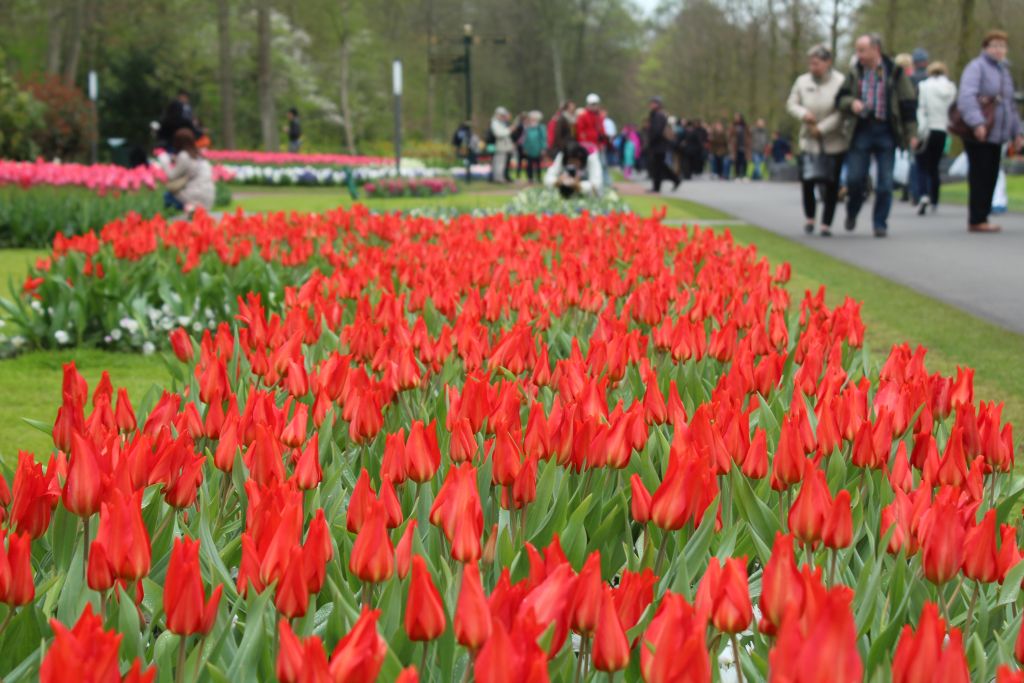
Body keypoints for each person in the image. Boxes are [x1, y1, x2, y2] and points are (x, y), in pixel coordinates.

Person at [836, 33, 918, 237]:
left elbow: (908, 104)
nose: (859, 55)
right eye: (857, 50)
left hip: (886, 131)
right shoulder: (855, 72)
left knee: (885, 182)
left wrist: (911, 134)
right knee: (854, 179)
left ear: (876, 50)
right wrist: (851, 103)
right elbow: (840, 98)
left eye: (862, 50)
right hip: (861, 130)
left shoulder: (895, 72)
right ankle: (852, 210)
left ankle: (880, 223)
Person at [957, 29, 1023, 232]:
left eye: (1002, 46)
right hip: (980, 131)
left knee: (992, 174)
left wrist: (1017, 133)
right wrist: (977, 123)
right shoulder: (976, 67)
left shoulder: (1004, 72)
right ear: (985, 48)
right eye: (994, 45)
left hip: (997, 134)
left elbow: (1010, 106)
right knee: (980, 174)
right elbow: (966, 97)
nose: (998, 50)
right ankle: (976, 218)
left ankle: (982, 216)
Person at [787, 44, 849, 236]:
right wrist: (804, 114)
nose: (813, 67)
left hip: (833, 139)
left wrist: (822, 128)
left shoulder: (840, 82)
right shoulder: (802, 81)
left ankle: (826, 223)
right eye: (811, 63)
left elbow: (841, 111)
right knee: (808, 180)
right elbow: (792, 103)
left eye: (817, 63)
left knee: (832, 183)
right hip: (809, 139)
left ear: (827, 62)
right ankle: (810, 217)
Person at [914, 61, 957, 215]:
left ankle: (924, 194)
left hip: (927, 129)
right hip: (942, 130)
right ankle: (935, 200)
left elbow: (921, 108)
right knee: (934, 166)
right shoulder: (950, 88)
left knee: (921, 164)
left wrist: (918, 131)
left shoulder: (924, 86)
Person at [156, 128, 214, 213]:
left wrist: (164, 161)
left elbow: (171, 176)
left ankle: (187, 211)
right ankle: (191, 211)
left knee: (168, 196)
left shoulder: (184, 156)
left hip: (196, 196)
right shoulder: (198, 155)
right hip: (208, 196)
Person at [645, 96, 681, 193]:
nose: (652, 105)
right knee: (659, 166)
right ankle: (673, 180)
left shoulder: (659, 116)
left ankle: (659, 186)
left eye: (654, 103)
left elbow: (657, 131)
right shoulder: (655, 115)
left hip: (659, 145)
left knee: (658, 166)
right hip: (658, 145)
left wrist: (651, 140)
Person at [490, 107, 516, 184]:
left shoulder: (500, 123)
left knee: (501, 163)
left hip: (504, 146)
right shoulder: (495, 123)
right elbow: (499, 133)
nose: (503, 117)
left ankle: (500, 177)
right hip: (500, 146)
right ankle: (498, 178)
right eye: (502, 115)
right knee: (499, 163)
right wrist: (509, 130)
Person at [522, 111, 547, 183]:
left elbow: (543, 138)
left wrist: (543, 148)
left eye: (534, 119)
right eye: (531, 119)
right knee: (529, 165)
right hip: (529, 149)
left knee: (538, 164)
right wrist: (525, 148)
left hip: (538, 149)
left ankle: (538, 178)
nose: (532, 120)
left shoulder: (541, 127)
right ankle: (530, 178)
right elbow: (525, 139)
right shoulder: (528, 128)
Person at [728, 113, 752, 180]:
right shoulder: (733, 126)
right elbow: (730, 136)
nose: (736, 119)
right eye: (735, 117)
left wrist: (749, 143)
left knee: (744, 161)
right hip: (736, 147)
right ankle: (737, 175)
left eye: (737, 117)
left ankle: (744, 175)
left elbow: (749, 135)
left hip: (744, 146)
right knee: (736, 161)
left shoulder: (745, 126)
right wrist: (731, 144)